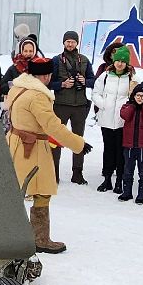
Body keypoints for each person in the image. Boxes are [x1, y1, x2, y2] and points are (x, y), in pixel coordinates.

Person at [3, 56, 88, 253]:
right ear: (47, 75)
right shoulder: (37, 96)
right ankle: (40, 239)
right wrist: (78, 144)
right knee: (42, 191)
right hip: (32, 148)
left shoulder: (18, 87)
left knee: (16, 190)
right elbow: (52, 126)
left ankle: (12, 235)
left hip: (16, 142)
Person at [91, 46, 137, 191]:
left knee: (121, 150)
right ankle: (107, 178)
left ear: (127, 63)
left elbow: (139, 95)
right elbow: (95, 93)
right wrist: (103, 104)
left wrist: (127, 108)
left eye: (123, 61)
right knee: (108, 149)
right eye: (118, 60)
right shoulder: (105, 76)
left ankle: (119, 180)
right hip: (106, 119)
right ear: (114, 61)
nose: (120, 64)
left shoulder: (132, 77)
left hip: (123, 120)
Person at [53, 32, 93, 184]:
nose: (70, 44)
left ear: (77, 43)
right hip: (60, 105)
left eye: (73, 42)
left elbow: (94, 80)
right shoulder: (56, 60)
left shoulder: (84, 60)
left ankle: (77, 173)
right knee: (56, 140)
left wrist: (86, 81)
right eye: (67, 42)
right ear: (64, 43)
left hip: (80, 106)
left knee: (78, 140)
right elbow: (49, 83)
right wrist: (61, 84)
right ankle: (54, 173)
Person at [117, 83, 143, 204]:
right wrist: (132, 105)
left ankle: (141, 194)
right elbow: (125, 116)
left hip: (142, 147)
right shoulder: (127, 106)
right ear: (133, 96)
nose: (140, 98)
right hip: (128, 145)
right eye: (137, 95)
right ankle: (127, 192)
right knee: (128, 170)